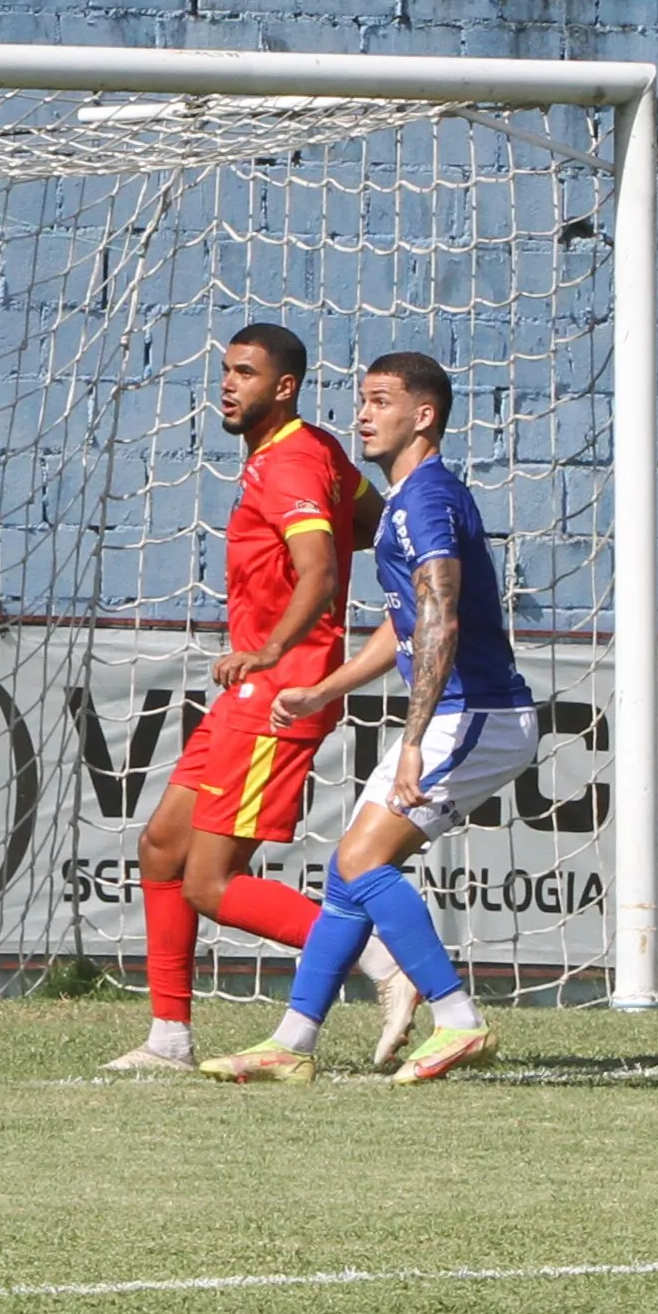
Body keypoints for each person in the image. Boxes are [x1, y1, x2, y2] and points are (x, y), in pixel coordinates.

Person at [202, 350, 537, 1086]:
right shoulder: (410, 500)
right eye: (362, 399)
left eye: (381, 401)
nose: (363, 413)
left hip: (475, 712)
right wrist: (328, 689)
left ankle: (456, 1018)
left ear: (424, 416)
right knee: (347, 871)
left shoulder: (424, 502)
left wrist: (413, 745)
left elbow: (442, 616)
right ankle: (292, 1042)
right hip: (455, 712)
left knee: (361, 861)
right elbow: (407, 624)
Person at [99, 325, 369, 1076]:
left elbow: (316, 567)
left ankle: (385, 962)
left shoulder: (289, 466)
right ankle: (169, 1039)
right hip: (255, 689)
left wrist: (274, 647)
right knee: (161, 845)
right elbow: (370, 522)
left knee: (211, 882)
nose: (228, 384)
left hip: (280, 692)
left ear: (283, 387)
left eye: (245, 373)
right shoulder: (309, 453)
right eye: (226, 371)